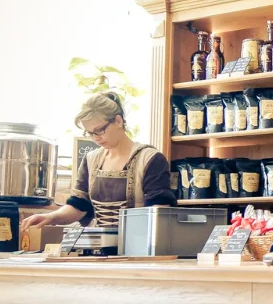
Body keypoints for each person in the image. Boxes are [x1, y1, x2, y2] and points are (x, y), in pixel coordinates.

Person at [22, 93, 175, 229]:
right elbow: (79, 206)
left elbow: (159, 211)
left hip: (138, 248)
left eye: (99, 130)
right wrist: (51, 217)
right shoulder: (91, 159)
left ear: (118, 121)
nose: (95, 138)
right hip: (97, 245)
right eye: (89, 133)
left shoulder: (150, 159)